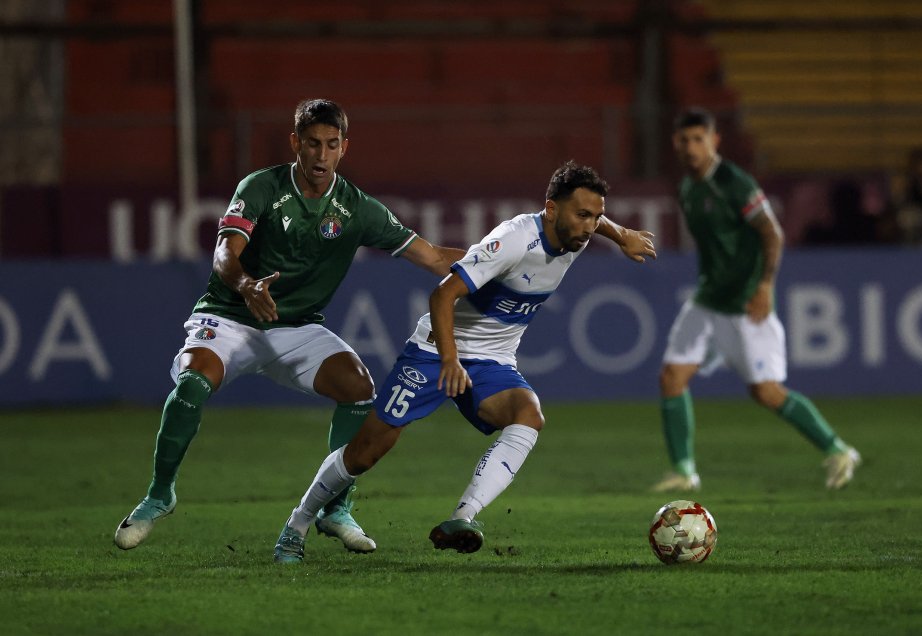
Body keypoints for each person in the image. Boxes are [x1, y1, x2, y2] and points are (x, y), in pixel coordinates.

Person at [113, 99, 465, 553]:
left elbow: (435, 257)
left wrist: (502, 261)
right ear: (295, 143)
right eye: (313, 144)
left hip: (296, 327)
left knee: (358, 387)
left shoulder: (357, 208)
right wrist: (245, 284)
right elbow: (224, 251)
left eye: (331, 145)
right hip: (230, 316)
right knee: (194, 383)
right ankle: (159, 495)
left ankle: (335, 508)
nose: (321, 155)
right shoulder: (262, 186)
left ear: (344, 149)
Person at [272, 160, 657, 562]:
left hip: (492, 360)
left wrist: (623, 234)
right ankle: (296, 525)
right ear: (550, 210)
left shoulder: (575, 232)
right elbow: (442, 294)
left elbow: (592, 215)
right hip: (436, 349)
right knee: (366, 451)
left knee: (528, 414)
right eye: (582, 216)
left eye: (596, 218)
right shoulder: (513, 240)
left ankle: (464, 517)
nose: (590, 226)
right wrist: (450, 360)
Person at [651, 107, 861, 493]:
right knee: (672, 377)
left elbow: (772, 234)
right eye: (685, 140)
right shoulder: (687, 188)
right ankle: (684, 471)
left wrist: (764, 285)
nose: (691, 147)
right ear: (675, 144)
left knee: (765, 392)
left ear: (715, 141)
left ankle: (838, 449)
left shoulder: (733, 182)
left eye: (699, 139)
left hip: (745, 304)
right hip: (707, 298)